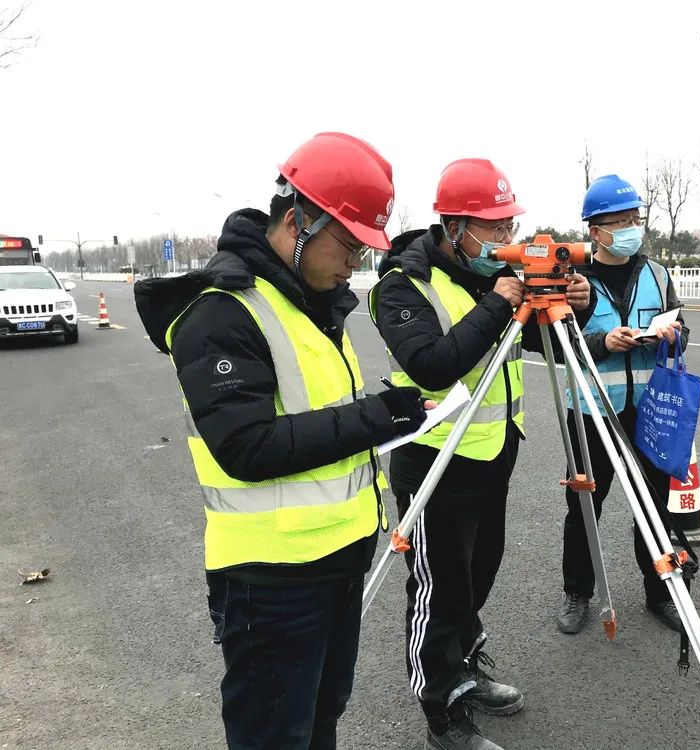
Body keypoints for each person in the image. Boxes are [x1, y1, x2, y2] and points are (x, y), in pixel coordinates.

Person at [135, 132, 431, 750]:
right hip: (271, 582)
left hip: (337, 561)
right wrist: (380, 416)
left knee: (321, 719)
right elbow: (247, 447)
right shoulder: (222, 312)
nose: (355, 263)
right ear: (298, 222)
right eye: (348, 245)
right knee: (274, 735)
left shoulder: (309, 304)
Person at [369, 159, 595, 750]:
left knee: (476, 577)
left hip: (493, 454)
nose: (505, 239)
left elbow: (547, 343)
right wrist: (497, 304)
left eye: (508, 226)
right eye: (493, 228)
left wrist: (574, 300)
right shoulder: (403, 284)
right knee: (438, 591)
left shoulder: (496, 278)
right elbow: (432, 364)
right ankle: (440, 708)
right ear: (453, 226)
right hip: (435, 461)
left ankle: (465, 668)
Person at [555, 174, 690, 636]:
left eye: (636, 218)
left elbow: (683, 330)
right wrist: (604, 341)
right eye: (621, 221)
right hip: (592, 412)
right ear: (596, 231)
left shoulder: (657, 275)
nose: (632, 227)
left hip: (648, 411)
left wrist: (672, 335)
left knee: (654, 506)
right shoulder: (574, 281)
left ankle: (660, 591)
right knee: (584, 509)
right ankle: (578, 592)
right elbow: (560, 343)